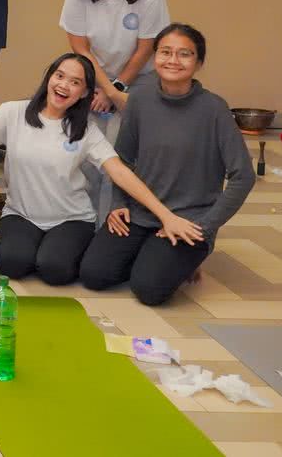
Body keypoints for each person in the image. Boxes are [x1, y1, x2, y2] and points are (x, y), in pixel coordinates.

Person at [0, 53, 192, 285]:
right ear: (49, 78)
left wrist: (166, 216)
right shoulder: (13, 113)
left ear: (84, 93)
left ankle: (67, 251)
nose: (64, 85)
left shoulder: (85, 130)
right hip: (21, 214)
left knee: (55, 270)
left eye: (75, 82)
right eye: (60, 76)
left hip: (71, 218)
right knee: (12, 265)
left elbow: (119, 172)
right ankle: (42, 249)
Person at [79, 25, 255, 305]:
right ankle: (159, 256)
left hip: (188, 219)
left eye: (185, 54)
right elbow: (123, 160)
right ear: (155, 57)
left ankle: (182, 257)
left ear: (199, 62)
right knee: (94, 275)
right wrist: (118, 203)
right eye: (166, 52)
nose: (173, 60)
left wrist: (205, 227)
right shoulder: (139, 101)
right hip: (140, 212)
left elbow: (243, 176)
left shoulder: (214, 109)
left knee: (149, 290)